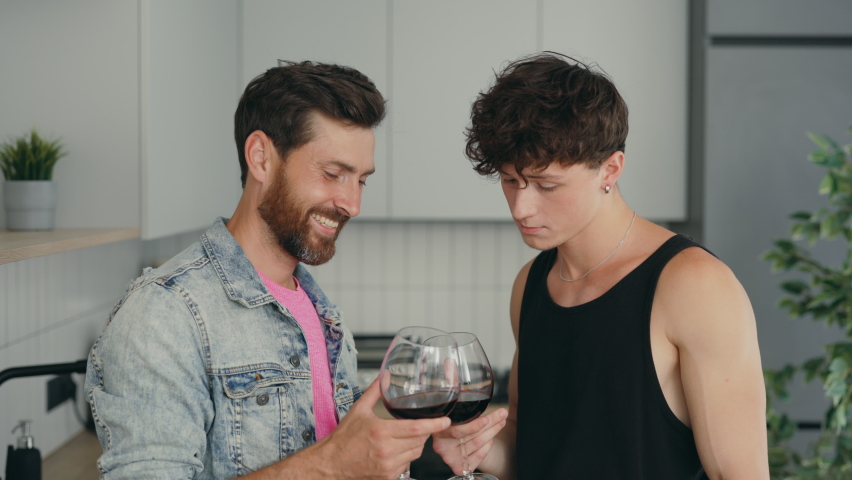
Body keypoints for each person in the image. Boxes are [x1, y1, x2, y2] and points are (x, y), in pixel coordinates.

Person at [84, 61, 452, 480]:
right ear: (261, 158)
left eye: (361, 180)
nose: (352, 204)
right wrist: (328, 466)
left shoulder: (318, 309)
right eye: (333, 174)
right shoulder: (163, 314)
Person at [431, 53, 769, 479]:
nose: (521, 207)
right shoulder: (531, 283)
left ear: (610, 169)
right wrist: (471, 444)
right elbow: (533, 452)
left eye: (546, 185)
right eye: (510, 181)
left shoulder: (695, 286)